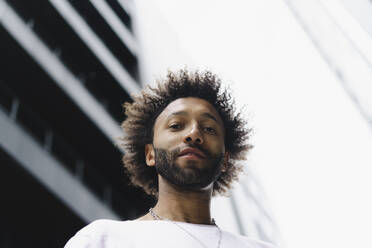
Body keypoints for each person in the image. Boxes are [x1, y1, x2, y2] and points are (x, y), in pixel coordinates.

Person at [65, 70, 277, 248]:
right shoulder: (102, 240)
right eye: (176, 125)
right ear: (150, 154)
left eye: (209, 128)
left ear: (225, 160)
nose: (194, 134)